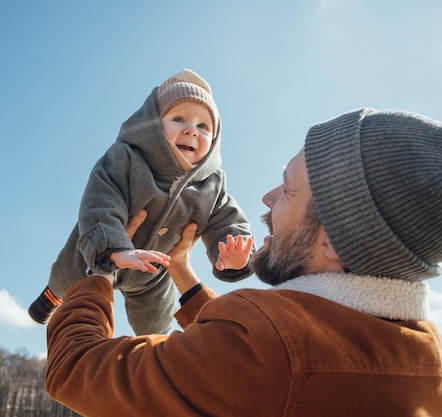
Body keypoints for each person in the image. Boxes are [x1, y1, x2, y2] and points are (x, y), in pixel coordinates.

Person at [44, 108, 442, 416]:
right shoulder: (427, 357)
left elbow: (74, 370)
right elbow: (243, 349)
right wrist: (182, 270)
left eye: (288, 188)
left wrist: (99, 269)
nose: (268, 199)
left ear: (335, 238)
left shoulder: (269, 353)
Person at [28, 69, 254, 335]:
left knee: (156, 326)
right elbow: (101, 201)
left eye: (203, 126)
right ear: (154, 126)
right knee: (68, 275)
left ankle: (153, 347)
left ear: (214, 140)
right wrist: (115, 249)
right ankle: (53, 295)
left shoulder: (213, 186)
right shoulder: (126, 158)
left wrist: (234, 254)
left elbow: (226, 220)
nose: (191, 131)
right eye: (179, 119)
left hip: (152, 272)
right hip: (99, 250)